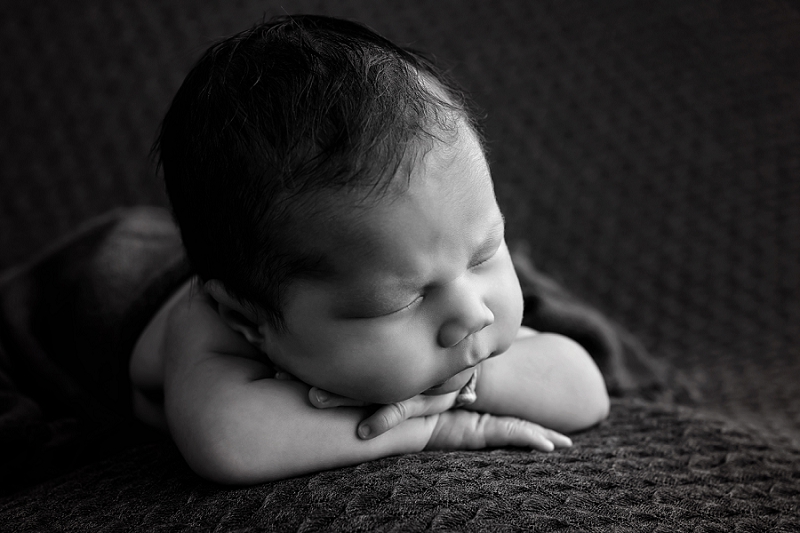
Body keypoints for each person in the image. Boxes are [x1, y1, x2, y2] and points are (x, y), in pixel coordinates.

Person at [129, 14, 610, 485]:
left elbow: (585, 391)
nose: (474, 312)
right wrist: (434, 427)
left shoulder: (448, 292)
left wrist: (470, 386)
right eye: (401, 301)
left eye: (484, 253)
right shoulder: (211, 325)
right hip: (128, 280)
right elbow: (229, 443)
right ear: (249, 322)